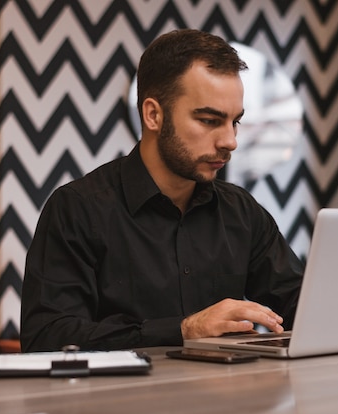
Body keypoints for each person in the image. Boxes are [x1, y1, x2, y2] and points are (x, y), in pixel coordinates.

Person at [20, 29, 304, 352]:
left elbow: (302, 305)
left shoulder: (242, 214)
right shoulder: (77, 210)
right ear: (153, 114)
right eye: (210, 120)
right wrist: (184, 329)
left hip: (226, 401)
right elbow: (46, 338)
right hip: (117, 402)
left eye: (234, 122)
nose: (230, 141)